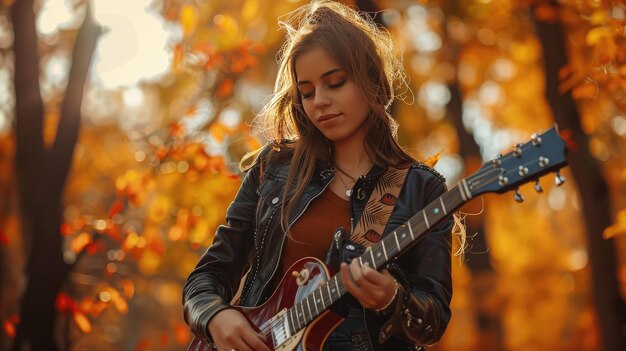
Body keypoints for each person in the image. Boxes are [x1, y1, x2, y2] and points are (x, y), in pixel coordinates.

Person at [182, 1, 454, 350]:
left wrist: (393, 299)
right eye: (307, 92)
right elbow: (207, 275)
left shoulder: (421, 188)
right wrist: (215, 315)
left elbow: (432, 321)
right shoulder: (274, 168)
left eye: (335, 83)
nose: (319, 101)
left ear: (372, 81)